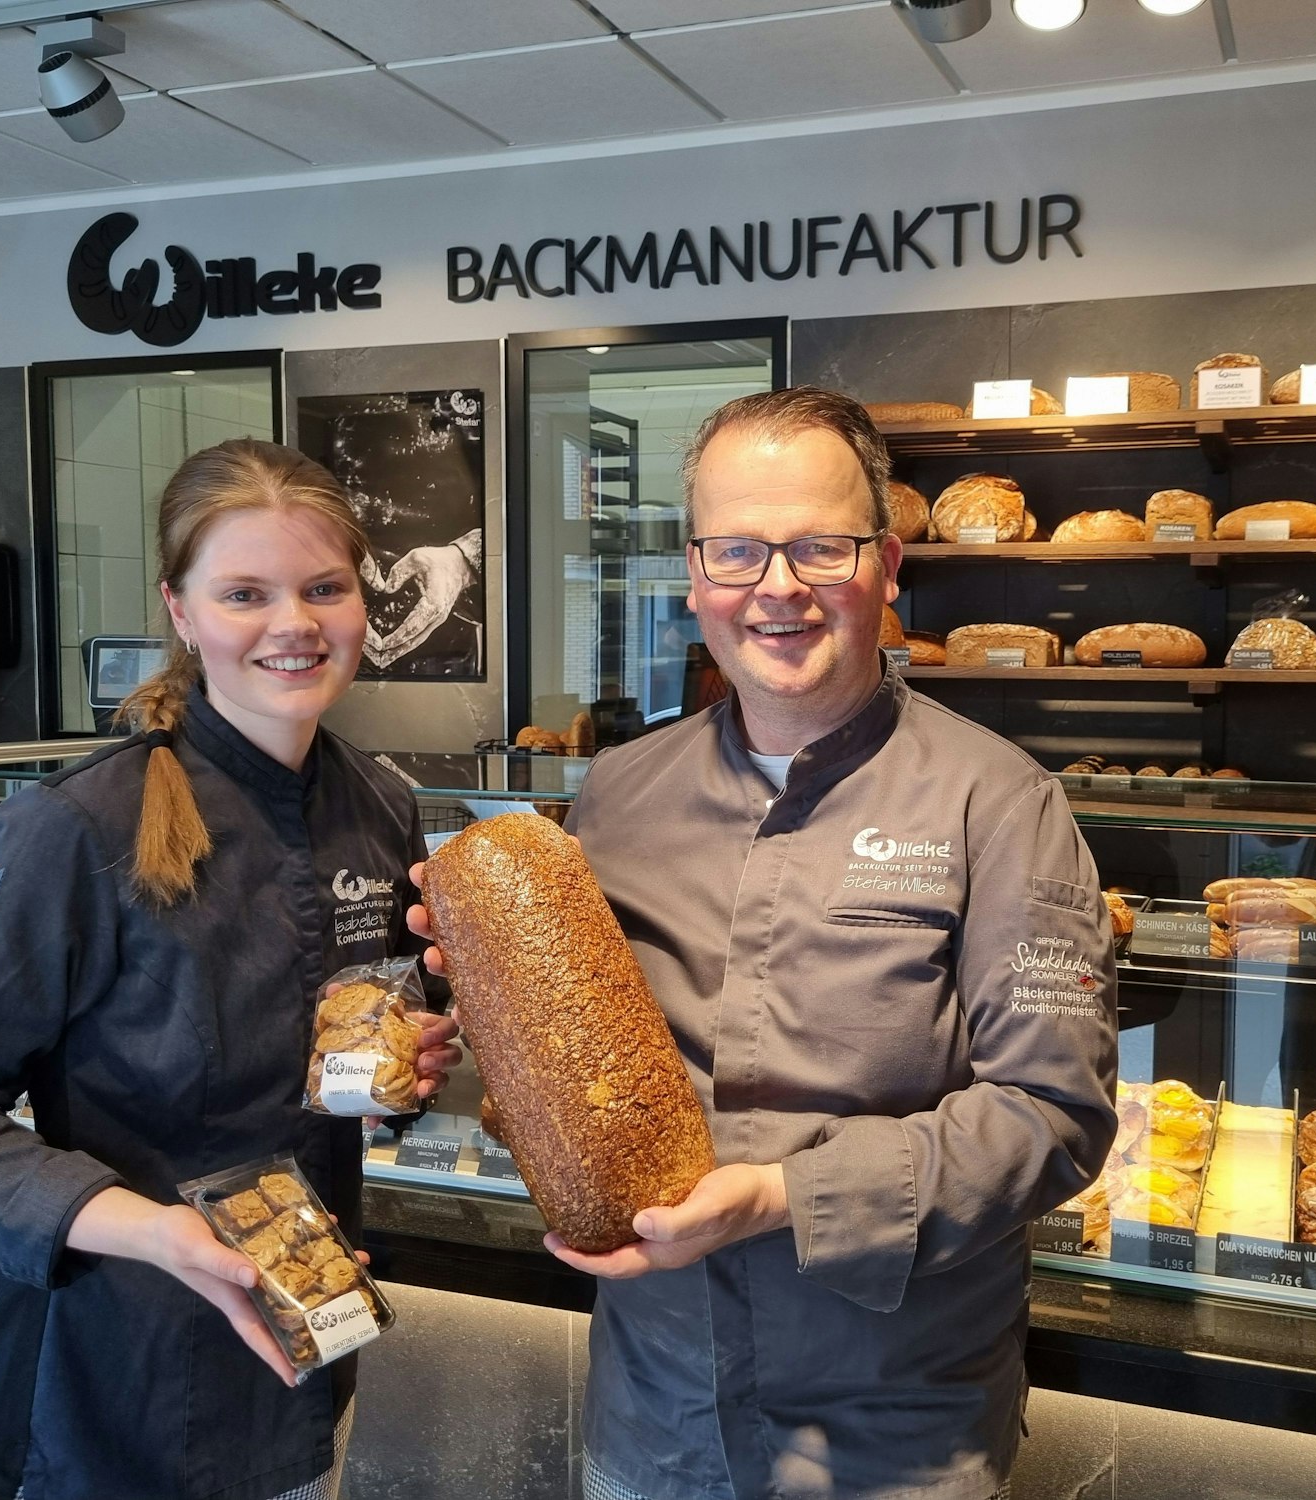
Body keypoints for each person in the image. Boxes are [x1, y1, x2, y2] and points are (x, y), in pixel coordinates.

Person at [411, 388, 1118, 1500]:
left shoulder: (1001, 803)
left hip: (889, 1446)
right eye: (736, 552)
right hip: (652, 1420)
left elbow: (1051, 1119)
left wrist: (779, 1199)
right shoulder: (621, 795)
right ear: (695, 578)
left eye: (818, 549)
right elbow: (583, 1073)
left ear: (887, 565)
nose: (776, 589)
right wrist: (484, 1017)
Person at [0, 439, 462, 1500]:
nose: (294, 623)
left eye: (323, 588)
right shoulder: (74, 829)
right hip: (94, 1397)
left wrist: (399, 1075)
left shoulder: (379, 805)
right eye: (245, 592)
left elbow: (351, 1071)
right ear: (180, 611)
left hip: (299, 1371)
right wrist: (157, 1233)